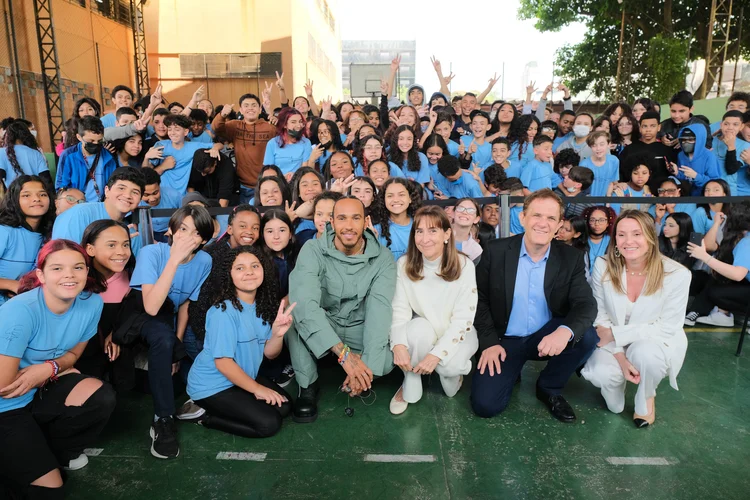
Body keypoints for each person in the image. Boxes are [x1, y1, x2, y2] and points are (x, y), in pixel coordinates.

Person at [470, 189, 598, 421]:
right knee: (485, 406)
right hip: (505, 340)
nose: (543, 223)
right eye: (537, 215)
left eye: (551, 218)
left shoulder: (571, 258)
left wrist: (564, 332)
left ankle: (549, 387)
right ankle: (513, 369)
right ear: (522, 218)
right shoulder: (496, 251)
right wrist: (488, 342)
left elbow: (586, 304)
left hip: (546, 336)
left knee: (586, 336)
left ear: (560, 224)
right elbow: (478, 298)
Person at [0, 239, 115, 497]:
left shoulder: (92, 303)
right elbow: (4, 386)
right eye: (57, 269)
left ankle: (46, 450)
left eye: (78, 267)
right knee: (52, 490)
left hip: (34, 390)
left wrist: (49, 369)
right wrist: (55, 370)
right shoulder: (20, 311)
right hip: (6, 406)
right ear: (41, 275)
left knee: (100, 394)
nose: (69, 276)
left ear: (87, 271)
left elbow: (74, 354)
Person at [287, 197, 397, 422]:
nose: (348, 226)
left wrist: (366, 371)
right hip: (325, 321)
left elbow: (379, 312)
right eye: (342, 218)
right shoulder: (313, 249)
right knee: (294, 319)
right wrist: (345, 356)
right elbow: (305, 304)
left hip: (359, 326)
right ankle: (307, 384)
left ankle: (356, 370)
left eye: (356, 218)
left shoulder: (383, 258)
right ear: (332, 222)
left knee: (384, 361)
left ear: (366, 221)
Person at [582, 210, 690, 427]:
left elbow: (667, 327)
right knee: (602, 376)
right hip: (611, 340)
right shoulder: (603, 266)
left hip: (654, 339)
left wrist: (616, 333)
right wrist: (620, 356)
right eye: (621, 235)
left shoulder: (677, 274)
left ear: (650, 237)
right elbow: (600, 315)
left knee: (646, 355)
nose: (628, 241)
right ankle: (616, 386)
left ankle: (646, 395)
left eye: (636, 234)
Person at [129, 205, 214, 459]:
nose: (188, 237)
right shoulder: (152, 253)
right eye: (183, 229)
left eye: (196, 234)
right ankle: (162, 420)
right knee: (164, 340)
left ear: (204, 240)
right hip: (142, 314)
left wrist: (177, 349)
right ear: (171, 230)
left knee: (182, 345)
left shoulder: (204, 260)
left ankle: (200, 397)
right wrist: (174, 260)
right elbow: (152, 307)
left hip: (172, 317)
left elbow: (186, 304)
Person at [186, 246, 296, 438]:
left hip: (242, 376)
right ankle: (204, 416)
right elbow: (223, 363)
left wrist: (277, 334)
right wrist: (259, 390)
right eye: (240, 268)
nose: (249, 272)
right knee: (269, 424)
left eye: (255, 266)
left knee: (285, 407)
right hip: (212, 385)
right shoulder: (223, 311)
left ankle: (240, 400)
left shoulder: (261, 307)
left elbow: (270, 354)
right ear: (229, 274)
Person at [388, 206, 479, 414]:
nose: (424, 238)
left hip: (459, 332)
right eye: (419, 231)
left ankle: (454, 373)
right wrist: (399, 345)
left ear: (447, 234)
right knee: (417, 328)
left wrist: (436, 356)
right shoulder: (403, 265)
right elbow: (399, 310)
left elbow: (463, 320)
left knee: (448, 374)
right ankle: (410, 378)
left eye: (433, 231)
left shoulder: (464, 265)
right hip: (425, 328)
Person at [76, 220, 135, 389]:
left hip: (120, 346)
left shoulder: (133, 276)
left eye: (126, 245)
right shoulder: (76, 279)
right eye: (111, 245)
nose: (121, 252)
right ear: (90, 249)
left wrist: (117, 333)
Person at [52, 167, 145, 256]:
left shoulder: (131, 233)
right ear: (107, 191)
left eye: (135, 192)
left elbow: (134, 269)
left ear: (140, 200)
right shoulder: (80, 214)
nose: (127, 195)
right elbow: (62, 258)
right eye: (121, 188)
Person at [685, 201, 750, 327]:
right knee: (717, 278)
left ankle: (717, 313)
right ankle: (720, 314)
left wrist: (704, 257)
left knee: (715, 292)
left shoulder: (746, 242)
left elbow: (738, 274)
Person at [0, 176, 55, 306]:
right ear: (14, 200)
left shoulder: (51, 234)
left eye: (42, 194)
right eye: (26, 195)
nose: (36, 199)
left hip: (28, 306)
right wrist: (13, 285)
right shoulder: (5, 231)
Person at [212, 94, 276, 203]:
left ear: (260, 109)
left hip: (266, 183)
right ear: (241, 110)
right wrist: (222, 115)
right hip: (244, 186)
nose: (250, 108)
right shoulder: (235, 126)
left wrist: (274, 117)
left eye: (254, 105)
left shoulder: (270, 128)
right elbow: (216, 128)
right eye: (246, 105)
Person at [150, 114, 223, 196]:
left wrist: (215, 149)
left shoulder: (193, 146)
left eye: (177, 129)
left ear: (186, 132)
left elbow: (219, 145)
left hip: (182, 196)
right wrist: (148, 158)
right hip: (163, 194)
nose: (172, 133)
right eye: (170, 129)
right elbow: (147, 173)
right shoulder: (160, 145)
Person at [56, 116, 118, 202]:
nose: (96, 144)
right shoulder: (68, 155)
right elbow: (61, 186)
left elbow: (113, 184)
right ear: (79, 137)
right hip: (76, 206)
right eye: (91, 141)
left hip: (101, 206)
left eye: (99, 141)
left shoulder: (108, 157)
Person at [618, 111, 675, 185]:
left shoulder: (667, 150)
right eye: (645, 126)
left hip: (660, 193)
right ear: (640, 128)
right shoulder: (629, 150)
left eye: (652, 126)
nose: (648, 130)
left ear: (659, 127)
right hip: (635, 193)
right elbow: (621, 173)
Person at [372, 178, 422, 261]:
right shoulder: (375, 229)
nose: (395, 200)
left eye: (401, 195)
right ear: (383, 200)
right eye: (390, 196)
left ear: (410, 198)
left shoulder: (420, 225)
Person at [263, 108, 314, 178]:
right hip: (278, 183)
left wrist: (294, 178)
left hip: (297, 183)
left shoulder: (306, 142)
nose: (299, 125)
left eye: (300, 121)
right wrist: (283, 179)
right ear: (284, 125)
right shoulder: (272, 143)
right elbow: (268, 171)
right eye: (293, 122)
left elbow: (304, 170)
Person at [669, 125, 720, 195]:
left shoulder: (709, 156)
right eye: (683, 140)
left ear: (699, 140)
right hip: (687, 195)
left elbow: (715, 182)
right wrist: (677, 172)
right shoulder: (681, 155)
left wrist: (696, 176)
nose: (686, 143)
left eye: (690, 140)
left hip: (704, 196)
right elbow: (684, 178)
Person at [0, 121, 51, 188]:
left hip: (13, 194)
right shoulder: (36, 153)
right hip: (34, 192)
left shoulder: (2, 152)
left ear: (8, 136)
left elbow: (1, 174)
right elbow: (46, 177)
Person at [140, 167, 182, 242]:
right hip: (147, 233)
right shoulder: (133, 201)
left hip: (171, 231)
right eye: (146, 195)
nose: (152, 199)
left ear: (159, 186)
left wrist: (175, 229)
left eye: (155, 193)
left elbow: (186, 216)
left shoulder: (174, 196)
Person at [712, 110, 749, 194]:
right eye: (726, 124)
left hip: (728, 191)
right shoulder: (710, 141)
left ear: (741, 127)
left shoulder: (745, 146)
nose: (730, 127)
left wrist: (731, 146)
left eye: (735, 124)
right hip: (708, 188)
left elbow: (731, 169)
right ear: (721, 125)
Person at [580, 131, 620, 197]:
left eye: (602, 144)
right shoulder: (584, 164)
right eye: (594, 145)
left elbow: (613, 182)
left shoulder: (614, 160)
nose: (598, 149)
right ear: (590, 147)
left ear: (609, 144)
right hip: (588, 202)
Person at [583, 206, 616, 274]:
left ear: (608, 223)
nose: (597, 224)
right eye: (592, 220)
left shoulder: (614, 242)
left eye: (601, 220)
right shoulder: (580, 241)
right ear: (587, 222)